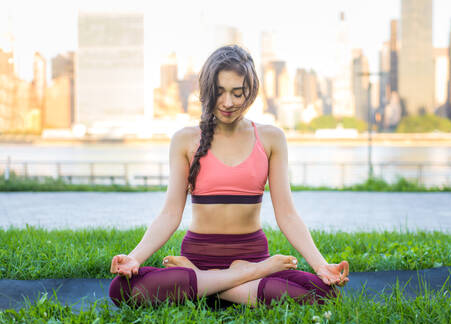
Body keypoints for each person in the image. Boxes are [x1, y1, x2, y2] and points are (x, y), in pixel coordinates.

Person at [109, 45, 349, 308]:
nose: (227, 103)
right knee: (121, 289)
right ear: (207, 91)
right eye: (219, 92)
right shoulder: (184, 140)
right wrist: (134, 258)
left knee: (325, 295)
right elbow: (169, 214)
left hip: (252, 256)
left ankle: (209, 285)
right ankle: (236, 278)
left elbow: (288, 214)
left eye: (237, 93)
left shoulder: (271, 138)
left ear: (251, 91)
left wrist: (321, 265)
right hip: (202, 260)